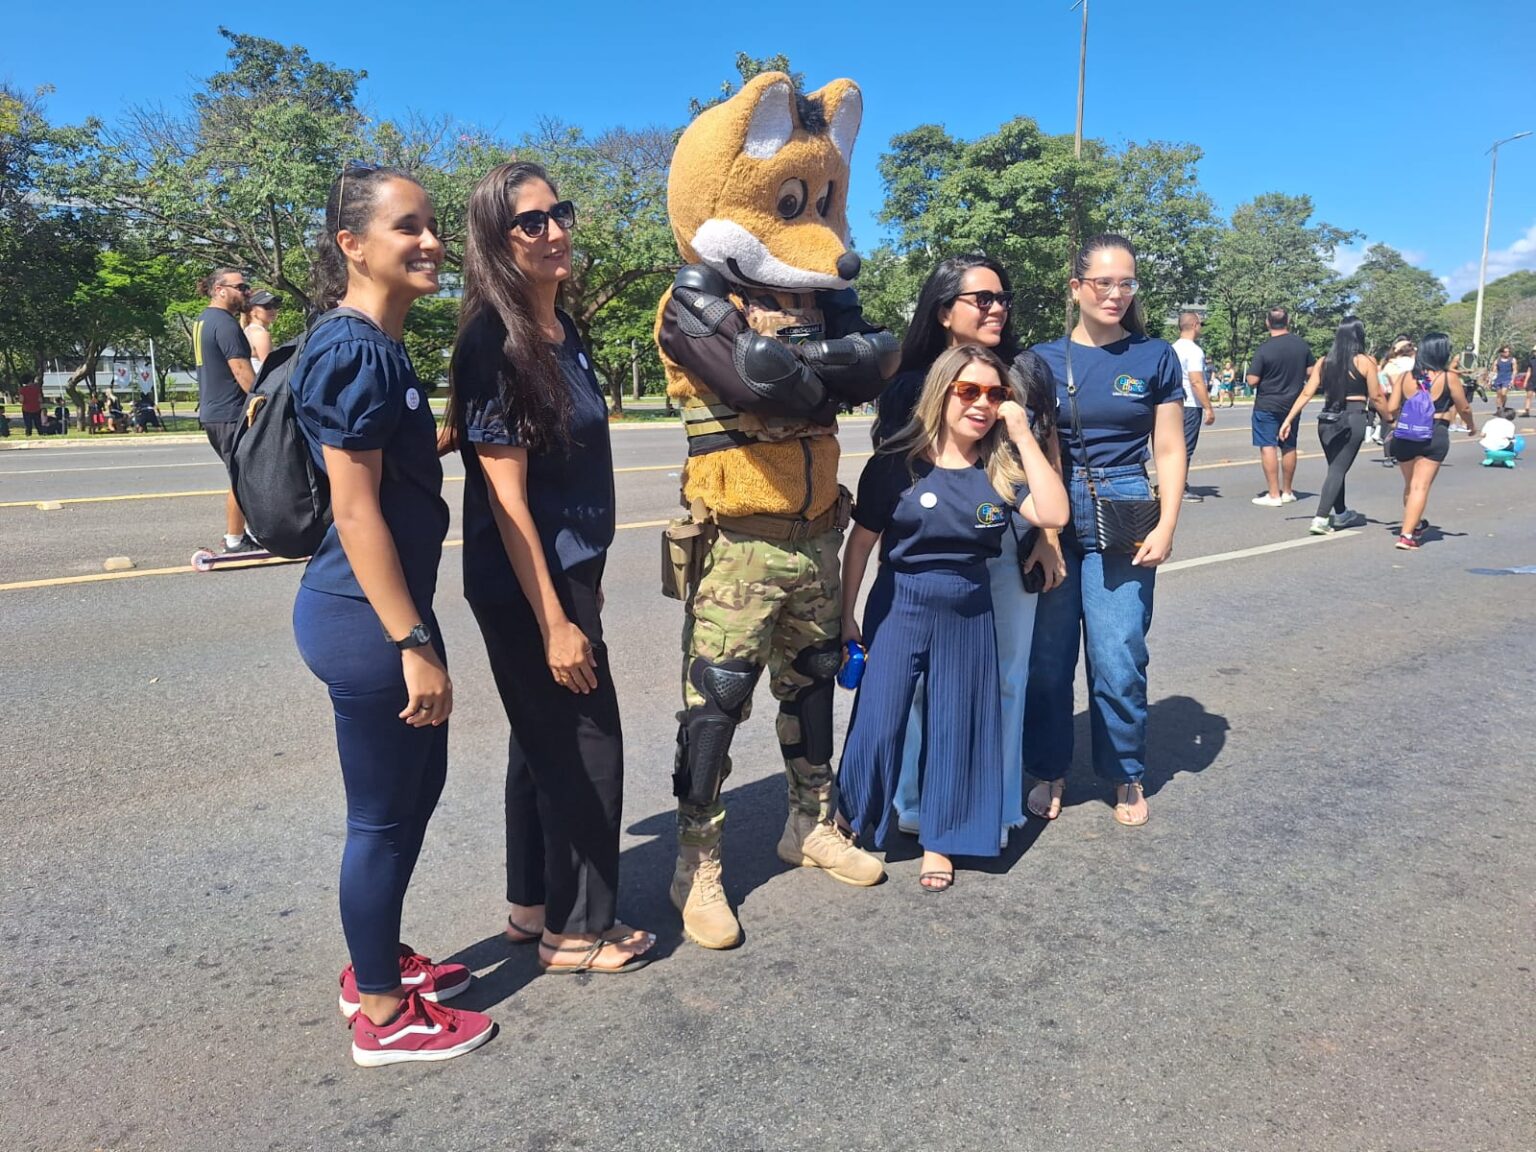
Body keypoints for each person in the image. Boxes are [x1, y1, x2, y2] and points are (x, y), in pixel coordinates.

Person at [290, 163, 494, 1066]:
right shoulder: (354, 348)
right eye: (407, 226)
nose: (430, 240)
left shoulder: (374, 346)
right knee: (380, 815)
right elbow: (354, 509)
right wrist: (412, 642)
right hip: (372, 623)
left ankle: (380, 959)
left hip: (388, 613)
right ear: (352, 244)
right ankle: (380, 1011)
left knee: (419, 789)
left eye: (432, 224)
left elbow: (383, 466)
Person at [446, 161, 655, 975]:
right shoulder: (493, 342)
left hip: (571, 570)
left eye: (557, 213)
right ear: (497, 242)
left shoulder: (565, 330)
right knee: (586, 742)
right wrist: (557, 620)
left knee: (538, 739)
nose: (554, 230)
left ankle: (533, 904)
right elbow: (507, 501)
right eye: (530, 222)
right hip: (528, 582)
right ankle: (577, 930)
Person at [839, 344, 1068, 889]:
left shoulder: (1001, 470)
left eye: (995, 394)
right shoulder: (895, 466)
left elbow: (1055, 512)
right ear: (942, 394)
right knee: (879, 716)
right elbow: (860, 546)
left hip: (968, 607)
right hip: (901, 603)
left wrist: (1024, 434)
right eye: (969, 391)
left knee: (956, 724)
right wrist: (846, 615)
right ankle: (850, 819)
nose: (982, 404)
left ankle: (941, 840)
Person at [872, 253, 1058, 844]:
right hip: (930, 555)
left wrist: (1049, 539)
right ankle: (916, 801)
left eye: (1003, 297)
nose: (998, 307)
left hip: (1008, 545)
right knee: (925, 684)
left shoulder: (1026, 371)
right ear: (944, 310)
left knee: (1004, 678)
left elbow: (1047, 453)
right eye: (983, 298)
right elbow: (894, 475)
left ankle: (995, 802)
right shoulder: (907, 382)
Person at [1023, 233, 1187, 828]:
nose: (1116, 294)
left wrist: (1168, 522)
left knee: (1119, 654)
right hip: (1055, 508)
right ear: (1077, 288)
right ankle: (1047, 768)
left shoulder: (1154, 357)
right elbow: (1030, 449)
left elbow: (1168, 447)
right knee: (1048, 657)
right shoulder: (1039, 361)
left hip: (1125, 502)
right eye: (1103, 283)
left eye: (1127, 283)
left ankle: (1125, 772)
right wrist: (1042, 536)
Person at [1278, 316, 1381, 534]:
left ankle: (1341, 513)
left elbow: (1307, 392)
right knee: (1337, 468)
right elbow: (1377, 396)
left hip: (1327, 420)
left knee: (1336, 467)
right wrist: (1390, 418)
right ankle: (1321, 518)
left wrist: (1288, 419)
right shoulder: (1365, 361)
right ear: (1359, 335)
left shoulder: (1324, 362)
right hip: (1352, 418)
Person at [1384, 332, 1475, 551]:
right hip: (1434, 432)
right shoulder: (1448, 377)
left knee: (1410, 485)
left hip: (1406, 433)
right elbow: (1464, 407)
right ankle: (1406, 535)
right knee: (1420, 486)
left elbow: (1391, 408)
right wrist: (1471, 425)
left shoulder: (1405, 376)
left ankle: (1413, 526)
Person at [193, 268, 259, 553]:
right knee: (242, 475)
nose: (246, 292)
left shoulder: (203, 320)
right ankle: (234, 539)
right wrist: (264, 400)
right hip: (231, 413)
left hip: (214, 412)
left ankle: (249, 531)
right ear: (220, 289)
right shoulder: (225, 323)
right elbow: (241, 370)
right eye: (240, 287)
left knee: (244, 473)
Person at [1247, 307, 1315, 506]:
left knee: (1268, 446)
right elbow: (1311, 371)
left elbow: (1251, 380)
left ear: (1267, 323)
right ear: (1289, 321)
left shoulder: (1265, 348)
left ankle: (1273, 494)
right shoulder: (1301, 345)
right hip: (1292, 405)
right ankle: (1287, 491)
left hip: (1267, 403)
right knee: (1289, 445)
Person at [1172, 311, 1216, 503]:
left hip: (1173, 403)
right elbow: (1197, 381)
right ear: (1195, 325)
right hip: (1190, 403)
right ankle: (1180, 487)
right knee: (1185, 449)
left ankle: (1172, 484)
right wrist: (1208, 408)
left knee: (1174, 447)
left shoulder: (1172, 348)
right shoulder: (1194, 351)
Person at [245, 290, 282, 374]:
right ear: (252, 311)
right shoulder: (260, 334)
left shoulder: (248, 330)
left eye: (275, 305)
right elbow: (270, 368)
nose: (272, 309)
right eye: (267, 306)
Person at [1491, 344, 1516, 413]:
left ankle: (1503, 406)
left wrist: (1512, 379)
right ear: (1501, 352)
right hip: (1499, 379)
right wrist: (1490, 379)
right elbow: (1494, 370)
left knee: (1503, 393)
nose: (1507, 353)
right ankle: (1499, 409)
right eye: (1505, 352)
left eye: (1508, 352)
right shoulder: (1497, 361)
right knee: (1498, 395)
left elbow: (1514, 370)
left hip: (1507, 378)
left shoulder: (1512, 360)